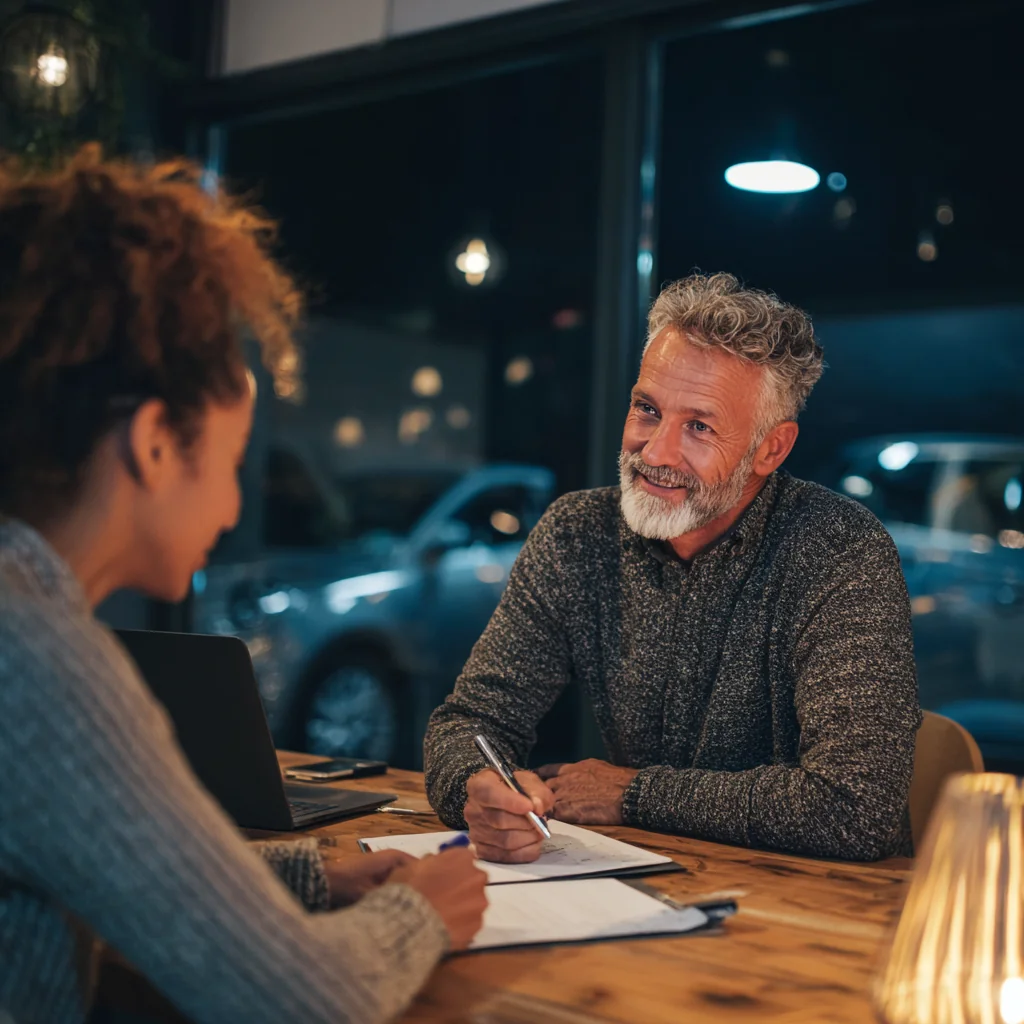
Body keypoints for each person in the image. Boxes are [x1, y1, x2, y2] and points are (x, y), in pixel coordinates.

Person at [0, 148, 487, 1024]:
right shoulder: (33, 656)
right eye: (230, 465)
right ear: (154, 445)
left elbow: (99, 861)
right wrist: (424, 912)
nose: (230, 512)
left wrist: (313, 875)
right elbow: (302, 1001)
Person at [424, 272, 921, 863]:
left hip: (824, 910)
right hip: (636, 889)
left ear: (771, 449)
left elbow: (856, 809)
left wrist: (632, 794)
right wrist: (478, 792)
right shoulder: (576, 534)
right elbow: (470, 722)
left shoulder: (840, 549)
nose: (655, 452)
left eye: (699, 427)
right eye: (647, 409)